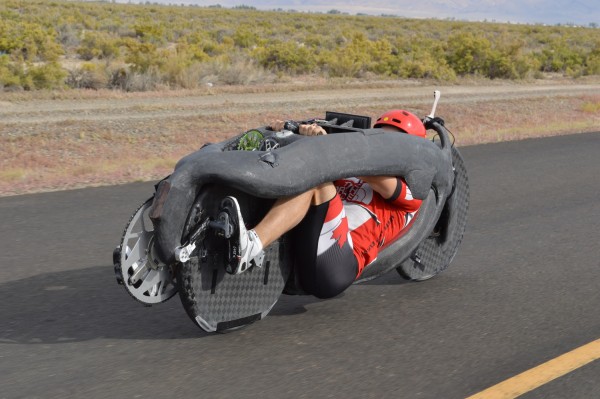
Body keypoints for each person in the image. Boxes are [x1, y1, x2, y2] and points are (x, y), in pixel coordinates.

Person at [219, 110, 427, 299]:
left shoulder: (412, 192)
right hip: (311, 251)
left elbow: (355, 168)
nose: (384, 149)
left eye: (394, 145)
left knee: (315, 180)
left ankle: (250, 247)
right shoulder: (350, 174)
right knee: (294, 173)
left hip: (337, 267)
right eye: (381, 140)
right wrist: (287, 133)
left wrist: (325, 144)